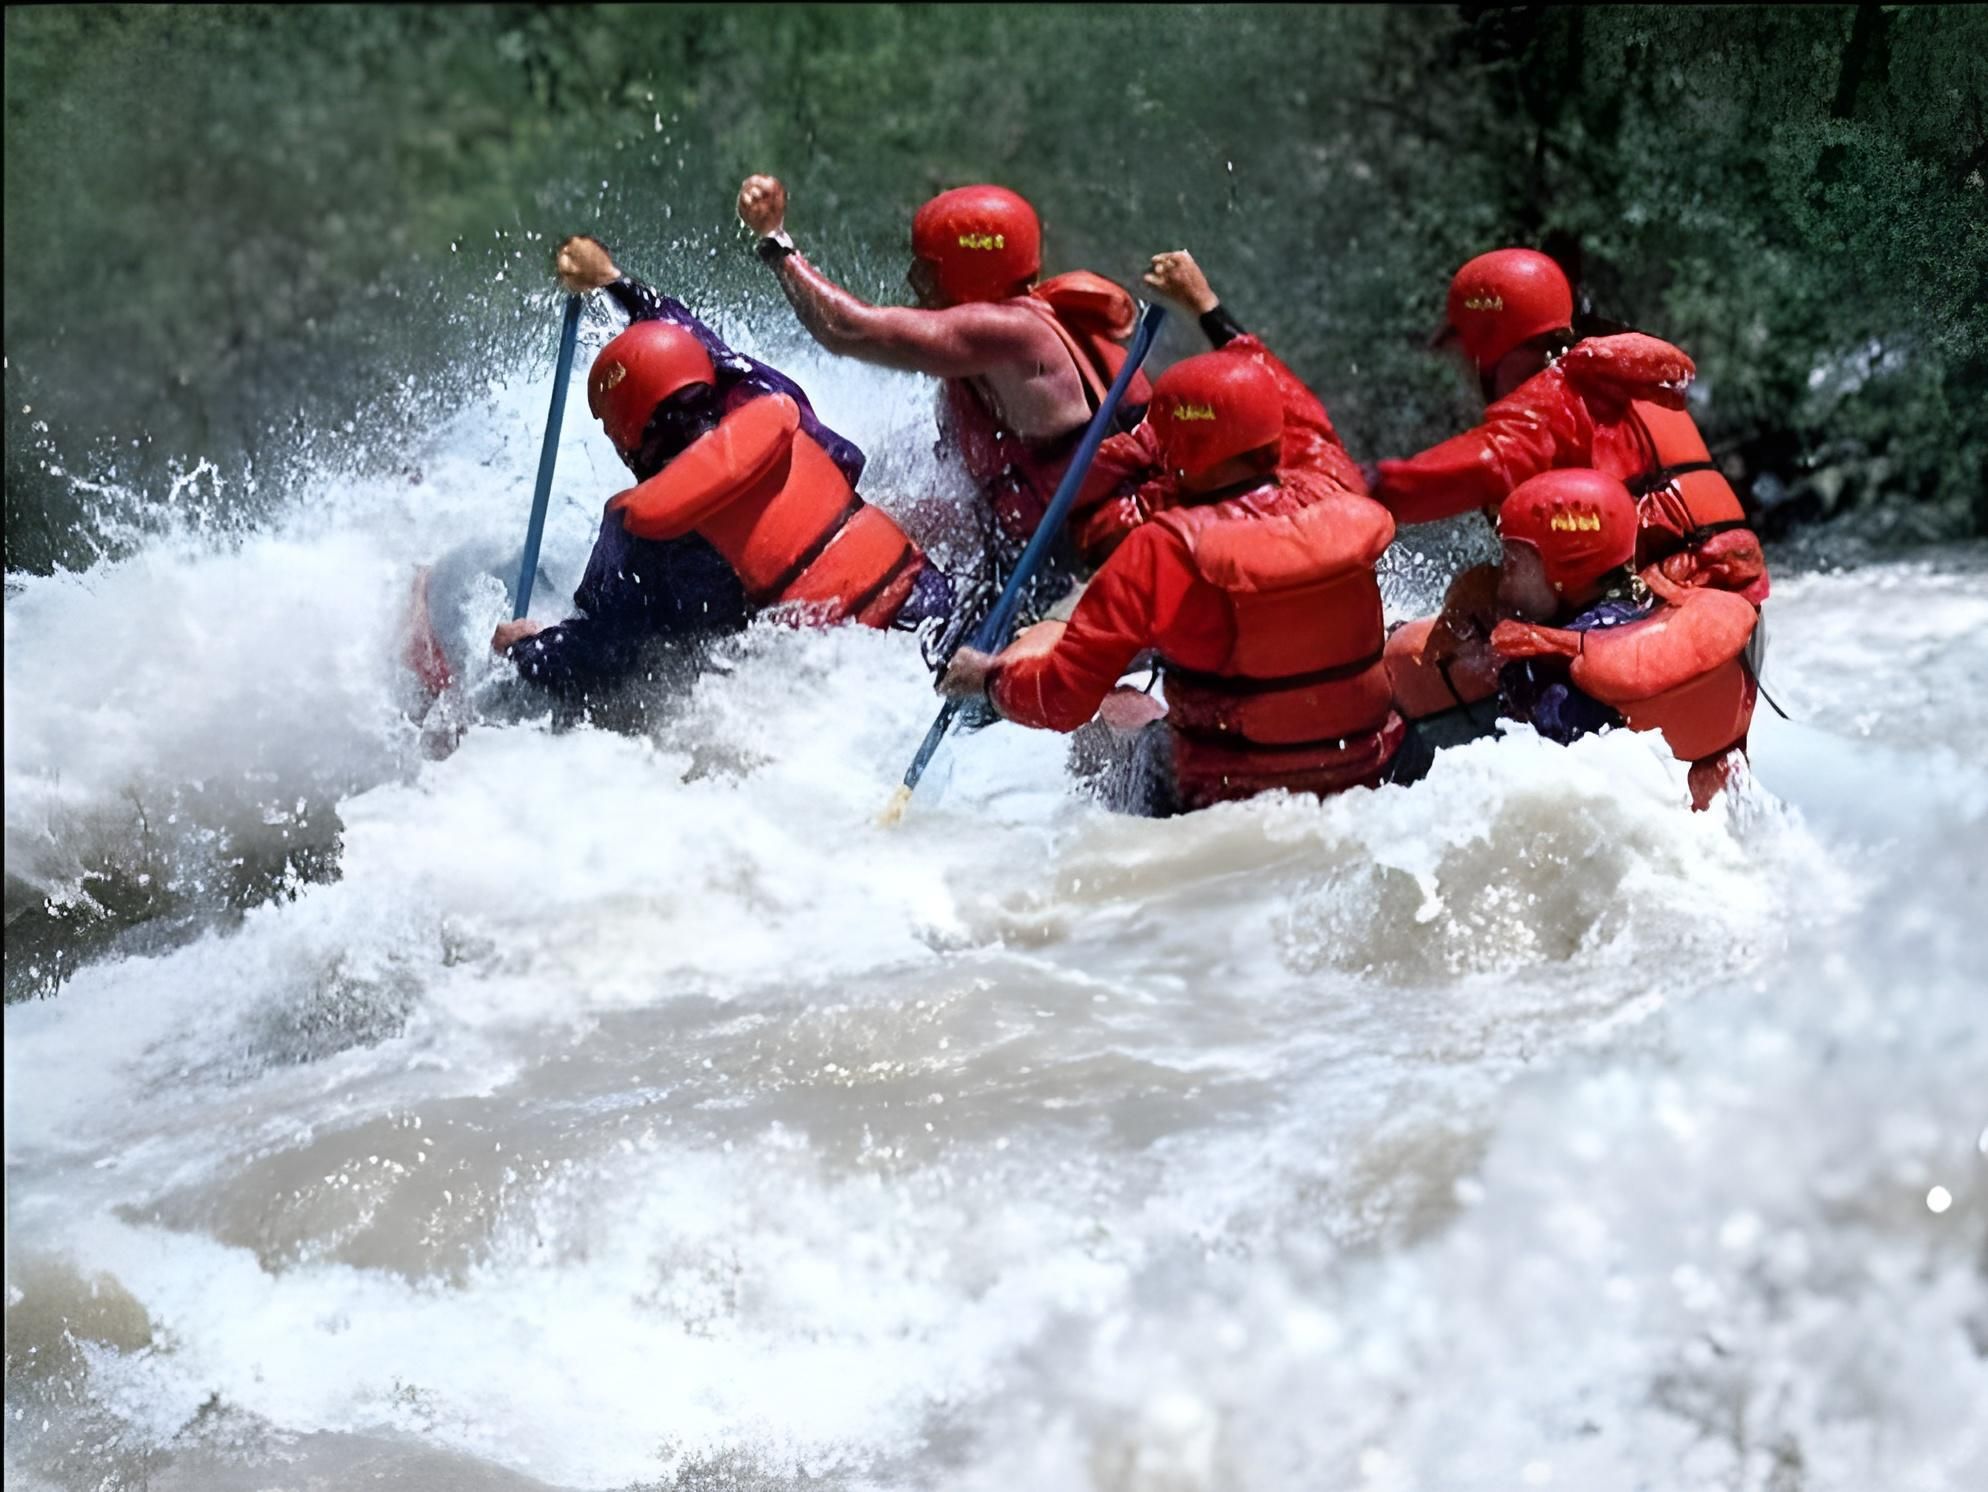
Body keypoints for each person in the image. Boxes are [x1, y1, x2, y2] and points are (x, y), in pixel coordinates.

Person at [937, 350, 1416, 816]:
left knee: (1100, 700)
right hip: (1364, 776)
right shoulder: (1330, 488)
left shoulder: (1160, 550)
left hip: (1220, 798)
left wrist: (991, 681)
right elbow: (1308, 423)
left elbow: (1061, 702)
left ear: (1177, 447)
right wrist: (1207, 309)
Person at [482, 236, 947, 704]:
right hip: (930, 611)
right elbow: (701, 349)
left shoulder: (645, 531)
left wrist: (525, 649)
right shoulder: (769, 401)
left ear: (625, 439)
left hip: (839, 686)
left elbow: (604, 658)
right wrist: (614, 283)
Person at [735, 174, 1150, 605]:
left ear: (970, 270)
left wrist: (774, 239)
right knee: (882, 529)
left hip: (1104, 565)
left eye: (930, 268)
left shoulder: (1010, 333)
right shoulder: (1001, 345)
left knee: (971, 671)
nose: (916, 280)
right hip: (1049, 551)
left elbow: (847, 329)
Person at [1367, 247, 1770, 605]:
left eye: (1462, 354)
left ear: (1488, 346)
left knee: (1456, 618)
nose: (1460, 371)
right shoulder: (1613, 381)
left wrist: (1367, 487)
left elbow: (1486, 464)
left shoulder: (1556, 395)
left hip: (1667, 611)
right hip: (1730, 608)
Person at [1066, 249, 1371, 569]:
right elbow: (1254, 359)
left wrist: (1133, 448)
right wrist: (1203, 302)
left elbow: (1095, 533)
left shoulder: (1168, 523)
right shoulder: (1317, 457)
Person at [1476, 468, 1761, 811]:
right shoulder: (1640, 610)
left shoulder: (1543, 671)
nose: (1501, 582)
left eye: (1512, 564)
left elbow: (1540, 786)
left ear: (1564, 569)